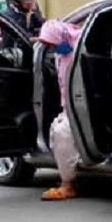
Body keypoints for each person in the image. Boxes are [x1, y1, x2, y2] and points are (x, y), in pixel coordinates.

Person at [37, 19, 83, 201]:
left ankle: (67, 184)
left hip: (79, 102)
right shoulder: (62, 48)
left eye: (50, 43)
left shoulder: (79, 46)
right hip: (70, 102)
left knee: (61, 132)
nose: (49, 48)